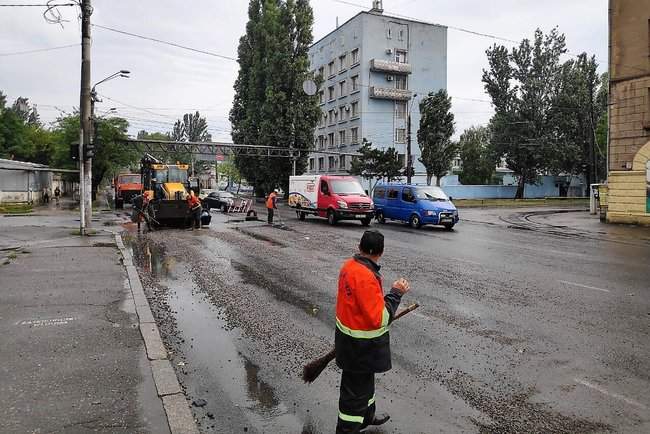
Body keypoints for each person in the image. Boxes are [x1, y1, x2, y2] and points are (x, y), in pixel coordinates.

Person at [334, 230, 410, 433]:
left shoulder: (348, 266)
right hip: (360, 348)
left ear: (359, 247)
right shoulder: (366, 277)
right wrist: (395, 294)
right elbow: (380, 319)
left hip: (348, 341)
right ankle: (346, 428)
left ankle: (367, 416)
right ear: (381, 252)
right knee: (354, 395)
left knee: (365, 386)